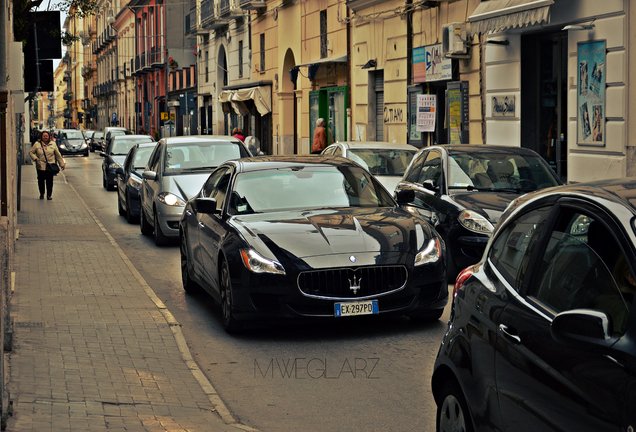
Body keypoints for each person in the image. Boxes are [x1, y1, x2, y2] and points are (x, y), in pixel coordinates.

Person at [29, 130, 65, 200]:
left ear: (49, 137)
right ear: (41, 137)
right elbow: (31, 152)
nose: (45, 137)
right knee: (41, 181)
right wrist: (36, 159)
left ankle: (49, 195)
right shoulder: (37, 144)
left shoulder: (53, 144)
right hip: (40, 166)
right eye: (44, 136)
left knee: (49, 181)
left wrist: (62, 164)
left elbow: (58, 155)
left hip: (50, 166)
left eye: (46, 136)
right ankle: (42, 194)